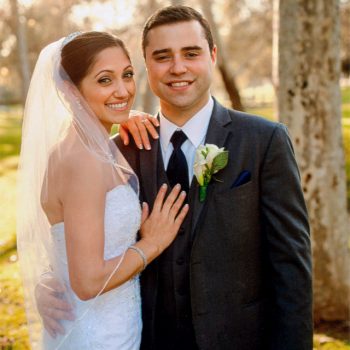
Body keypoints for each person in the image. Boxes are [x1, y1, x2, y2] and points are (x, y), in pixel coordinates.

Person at [37, 5, 313, 350]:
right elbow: (71, 234)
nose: (178, 67)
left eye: (191, 53)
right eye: (163, 56)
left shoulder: (264, 141)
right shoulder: (113, 153)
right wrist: (48, 282)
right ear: (146, 64)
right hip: (145, 340)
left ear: (212, 55)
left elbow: (291, 266)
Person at [17, 31, 188, 349]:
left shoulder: (76, 148)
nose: (123, 90)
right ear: (70, 90)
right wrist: (151, 244)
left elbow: (65, 243)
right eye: (104, 80)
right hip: (99, 335)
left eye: (126, 75)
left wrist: (125, 116)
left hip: (100, 324)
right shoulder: (83, 162)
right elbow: (88, 281)